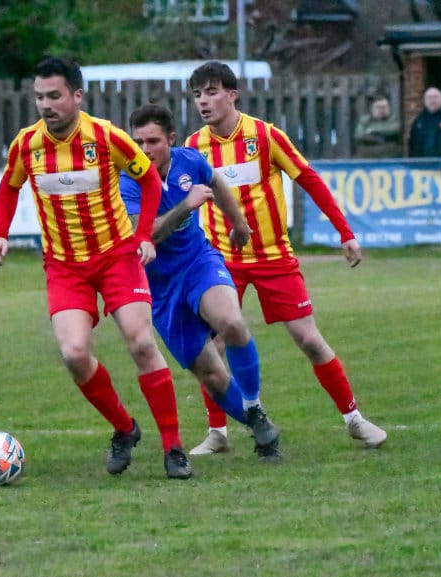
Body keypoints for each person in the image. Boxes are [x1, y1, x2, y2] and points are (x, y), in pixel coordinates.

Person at [0, 56, 192, 479]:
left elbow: (150, 180)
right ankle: (125, 428)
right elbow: (9, 186)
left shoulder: (106, 137)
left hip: (116, 256)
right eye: (39, 97)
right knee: (74, 354)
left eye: (54, 96)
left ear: (77, 96)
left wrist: (143, 236)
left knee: (141, 343)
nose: (46, 105)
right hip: (64, 266)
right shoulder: (27, 144)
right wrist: (0, 233)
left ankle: (173, 448)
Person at [183, 61, 388, 453]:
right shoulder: (193, 148)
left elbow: (308, 178)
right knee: (214, 345)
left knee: (309, 339)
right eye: (197, 95)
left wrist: (345, 232)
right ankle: (217, 433)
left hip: (274, 258)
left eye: (211, 92)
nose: (203, 101)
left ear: (232, 94)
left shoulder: (265, 136)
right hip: (220, 262)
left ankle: (355, 419)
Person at [118, 103, 281, 461]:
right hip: (161, 288)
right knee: (212, 376)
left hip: (198, 263)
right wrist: (185, 206)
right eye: (138, 142)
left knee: (231, 322)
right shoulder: (128, 180)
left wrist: (239, 224)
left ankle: (254, 407)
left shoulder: (190, 162)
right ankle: (260, 426)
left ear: (171, 139)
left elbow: (216, 182)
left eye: (152, 141)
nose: (144, 150)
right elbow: (144, 235)